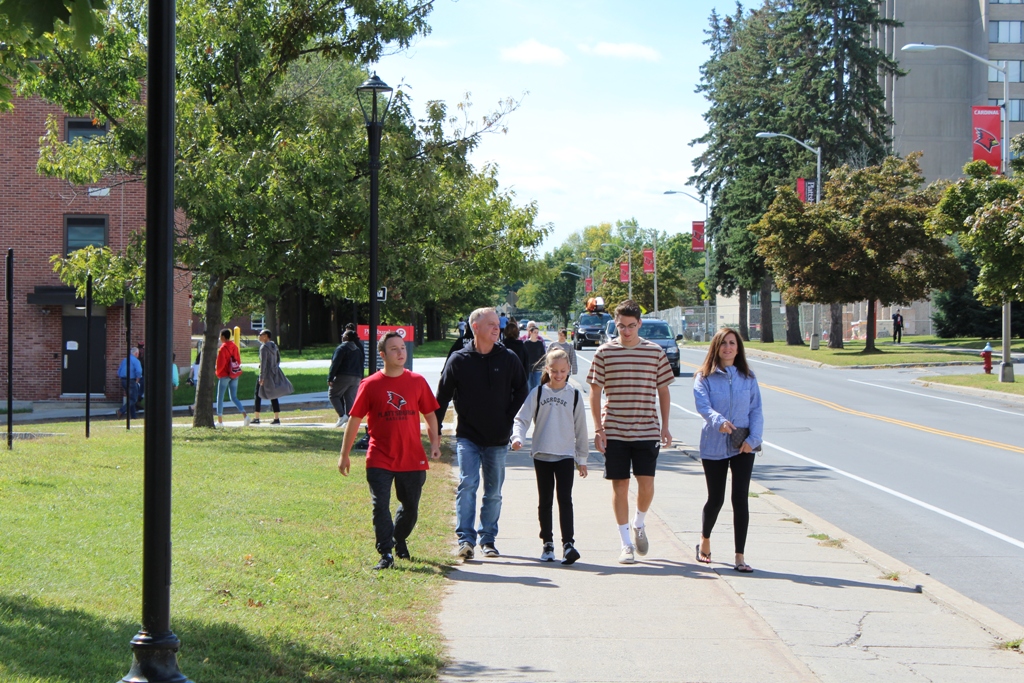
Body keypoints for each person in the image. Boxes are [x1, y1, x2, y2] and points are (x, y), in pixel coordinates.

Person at [338, 332, 441, 570]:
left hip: (412, 456)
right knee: (380, 505)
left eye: (402, 348)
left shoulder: (417, 381)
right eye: (394, 349)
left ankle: (399, 538)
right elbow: (354, 420)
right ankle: (386, 552)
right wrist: (344, 454)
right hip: (379, 457)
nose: (400, 352)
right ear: (383, 355)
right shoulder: (370, 384)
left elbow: (430, 415)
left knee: (411, 507)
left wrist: (435, 443)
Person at [436, 307, 528, 560]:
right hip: (468, 435)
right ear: (475, 327)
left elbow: (522, 390)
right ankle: (465, 539)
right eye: (490, 324)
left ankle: (488, 539)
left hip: (498, 438)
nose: (496, 327)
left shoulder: (508, 358)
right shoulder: (459, 359)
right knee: (467, 483)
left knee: (493, 491)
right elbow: (442, 397)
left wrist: (508, 417)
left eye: (497, 323)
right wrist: (436, 431)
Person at [587, 299, 674, 565]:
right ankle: (625, 543)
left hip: (646, 428)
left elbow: (663, 390)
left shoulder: (655, 352)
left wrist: (665, 426)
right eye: (621, 326)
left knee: (646, 484)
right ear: (615, 323)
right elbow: (595, 391)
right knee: (620, 485)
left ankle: (639, 523)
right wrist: (598, 429)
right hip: (614, 429)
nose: (626, 331)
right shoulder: (604, 352)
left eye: (631, 326)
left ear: (640, 324)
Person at [693, 327, 763, 573]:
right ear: (716, 347)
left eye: (732, 343)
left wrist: (754, 439)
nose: (728, 348)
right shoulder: (704, 377)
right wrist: (718, 421)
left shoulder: (748, 377)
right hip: (714, 444)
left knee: (740, 498)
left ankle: (740, 556)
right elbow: (703, 406)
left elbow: (756, 410)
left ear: (738, 347)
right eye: (723, 343)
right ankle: (705, 539)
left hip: (743, 445)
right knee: (716, 498)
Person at [512, 348, 588, 565]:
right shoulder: (538, 393)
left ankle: (568, 544)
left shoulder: (573, 395)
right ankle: (547, 543)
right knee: (545, 501)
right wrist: (518, 438)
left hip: (565, 454)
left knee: (565, 500)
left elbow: (581, 428)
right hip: (542, 454)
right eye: (554, 370)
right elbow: (522, 419)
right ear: (547, 369)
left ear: (568, 370)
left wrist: (581, 459)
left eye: (562, 371)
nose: (558, 375)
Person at [253, 329, 293, 425]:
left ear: (266, 336)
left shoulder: (264, 348)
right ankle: (276, 418)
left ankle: (257, 417)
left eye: (261, 334)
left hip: (265, 374)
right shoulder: (274, 346)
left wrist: (261, 377)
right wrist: (274, 368)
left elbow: (263, 364)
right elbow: (278, 360)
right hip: (274, 373)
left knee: (257, 394)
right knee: (273, 395)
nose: (259, 336)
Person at [328, 330, 364, 428]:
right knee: (350, 398)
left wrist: (330, 377)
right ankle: (349, 420)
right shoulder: (357, 350)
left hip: (344, 375)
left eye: (343, 335)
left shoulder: (342, 348)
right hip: (357, 377)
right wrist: (361, 377)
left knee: (333, 394)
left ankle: (341, 415)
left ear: (347, 337)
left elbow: (335, 363)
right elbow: (361, 364)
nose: (342, 336)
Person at [215, 328, 248, 427]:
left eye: (220, 336)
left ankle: (220, 421)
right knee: (234, 397)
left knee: (220, 397)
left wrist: (217, 373)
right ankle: (245, 416)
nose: (220, 338)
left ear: (223, 337)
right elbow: (238, 360)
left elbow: (221, 364)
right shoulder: (234, 346)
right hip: (234, 374)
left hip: (224, 375)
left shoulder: (222, 348)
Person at [116, 348, 143, 418]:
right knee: (134, 399)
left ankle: (134, 416)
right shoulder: (136, 361)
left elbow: (119, 371)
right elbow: (139, 371)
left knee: (131, 399)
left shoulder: (124, 360)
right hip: (131, 381)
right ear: (136, 353)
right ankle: (121, 411)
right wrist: (137, 379)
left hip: (123, 380)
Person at [523, 322, 547, 392]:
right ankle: (530, 400)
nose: (536, 334)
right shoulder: (526, 343)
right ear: (530, 332)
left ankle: (537, 400)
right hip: (528, 367)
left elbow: (543, 355)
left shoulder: (539, 343)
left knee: (537, 385)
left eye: (537, 332)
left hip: (537, 368)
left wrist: (542, 365)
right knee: (529, 386)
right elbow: (524, 355)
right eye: (535, 332)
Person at [187, 349, 201, 416]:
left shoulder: (195, 363)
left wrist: (189, 378)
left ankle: (196, 409)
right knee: (200, 396)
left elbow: (191, 371)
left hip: (195, 380)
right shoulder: (203, 364)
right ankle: (193, 407)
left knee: (198, 395)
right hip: (200, 380)